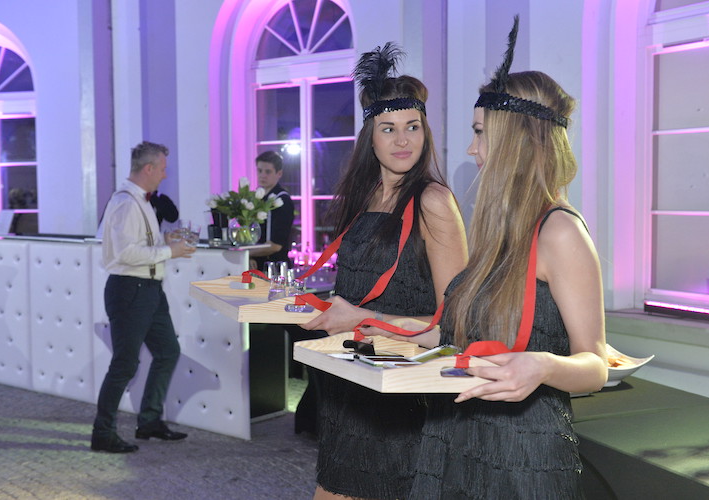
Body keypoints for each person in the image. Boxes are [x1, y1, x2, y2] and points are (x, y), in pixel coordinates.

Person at [360, 17, 607, 499]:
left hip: (520, 455)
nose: (471, 148)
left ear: (517, 139)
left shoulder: (560, 231)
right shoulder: (499, 230)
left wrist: (543, 366)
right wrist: (393, 328)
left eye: (480, 132)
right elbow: (471, 336)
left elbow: (595, 364)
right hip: (456, 433)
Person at [300, 43, 468, 500]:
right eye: (388, 129)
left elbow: (455, 323)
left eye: (412, 127)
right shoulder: (365, 195)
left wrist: (360, 318)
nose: (402, 140)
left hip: (399, 392)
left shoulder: (432, 201)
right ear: (369, 138)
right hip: (350, 383)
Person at [91, 141, 195, 453]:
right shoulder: (126, 202)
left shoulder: (140, 201)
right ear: (148, 168)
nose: (165, 175)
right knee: (125, 363)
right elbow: (125, 253)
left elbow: (137, 245)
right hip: (130, 290)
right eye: (162, 168)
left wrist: (164, 240)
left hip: (149, 290)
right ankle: (102, 433)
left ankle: (149, 421)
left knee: (167, 351)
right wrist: (169, 251)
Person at [249, 150, 295, 270]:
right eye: (259, 171)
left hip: (275, 267)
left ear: (279, 173)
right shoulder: (255, 198)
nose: (262, 175)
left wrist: (245, 253)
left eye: (268, 172)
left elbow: (275, 245)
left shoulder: (283, 200)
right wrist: (249, 257)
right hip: (256, 265)